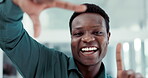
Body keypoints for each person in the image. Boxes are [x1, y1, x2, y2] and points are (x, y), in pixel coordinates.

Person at [0, 0, 143, 78]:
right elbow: (9, 36)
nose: (87, 38)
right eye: (78, 34)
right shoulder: (44, 63)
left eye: (97, 32)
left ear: (108, 37)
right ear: (71, 38)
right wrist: (15, 4)